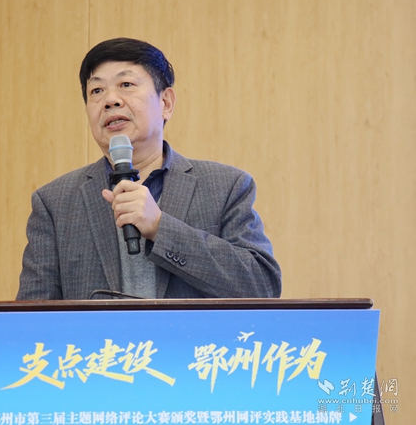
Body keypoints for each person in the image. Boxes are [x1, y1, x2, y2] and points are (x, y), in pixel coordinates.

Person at [16, 37, 281, 301]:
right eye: (96, 91)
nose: (110, 100)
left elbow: (262, 286)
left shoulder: (226, 186)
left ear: (165, 103)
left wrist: (160, 227)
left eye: (126, 85)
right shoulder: (55, 203)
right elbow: (32, 313)